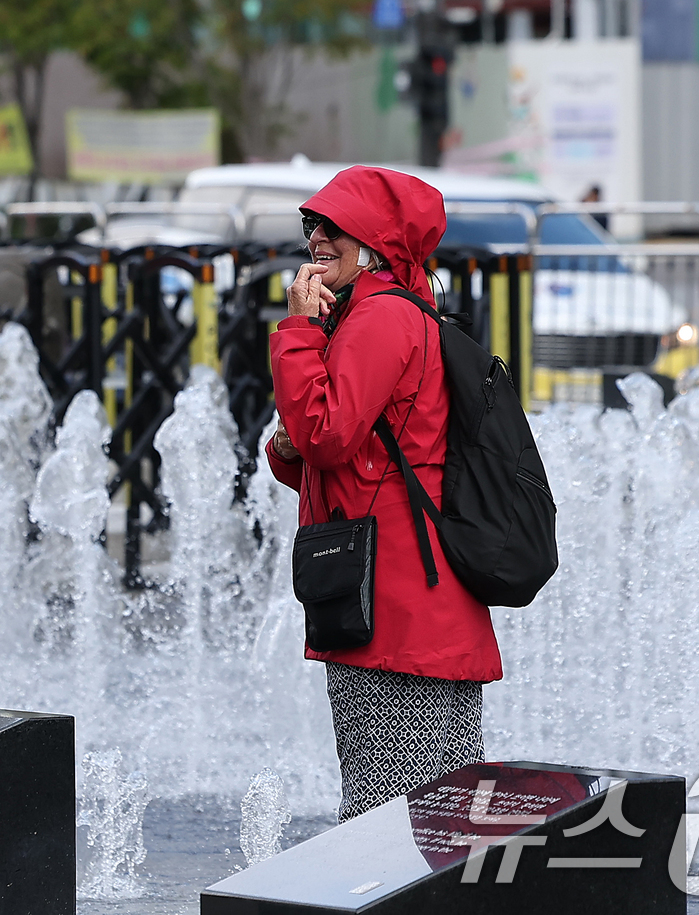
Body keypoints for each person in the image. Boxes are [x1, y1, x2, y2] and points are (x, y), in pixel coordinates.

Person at [265, 166, 502, 822]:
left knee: (387, 817)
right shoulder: (397, 312)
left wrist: (297, 332)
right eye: (311, 225)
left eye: (334, 226)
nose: (316, 237)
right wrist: (287, 445)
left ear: (374, 239)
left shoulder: (378, 318)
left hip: (392, 603)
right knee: (441, 814)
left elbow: (330, 434)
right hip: (414, 594)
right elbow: (346, 456)